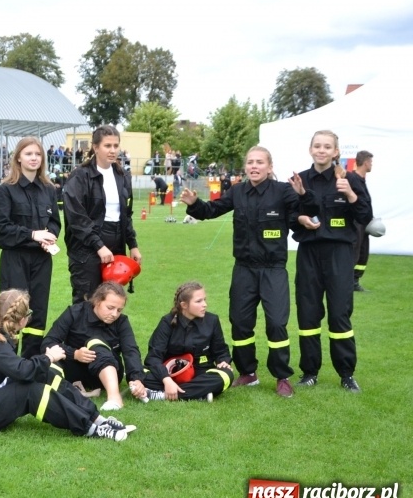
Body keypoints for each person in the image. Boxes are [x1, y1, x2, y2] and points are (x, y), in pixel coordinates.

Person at [180, 146, 299, 397]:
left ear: (270, 166)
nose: (254, 167)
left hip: (273, 269)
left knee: (277, 323)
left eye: (259, 162)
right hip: (244, 269)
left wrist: (303, 197)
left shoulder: (283, 191)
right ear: (245, 167)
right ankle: (248, 372)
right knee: (240, 321)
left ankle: (282, 375)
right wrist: (195, 204)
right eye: (250, 162)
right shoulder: (237, 192)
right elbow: (212, 210)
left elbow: (301, 213)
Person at [0, 289, 131, 442]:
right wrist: (48, 357)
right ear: (23, 319)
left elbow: (21, 370)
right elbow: (22, 371)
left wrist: (45, 363)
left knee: (45, 374)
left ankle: (97, 418)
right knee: (32, 390)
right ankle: (90, 428)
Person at [288, 130, 372, 392]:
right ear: (310, 149)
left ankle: (346, 374)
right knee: (308, 312)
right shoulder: (300, 179)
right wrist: (299, 219)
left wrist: (350, 195)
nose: (321, 150)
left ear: (336, 152)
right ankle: (309, 372)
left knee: (339, 314)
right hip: (310, 254)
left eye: (327, 147)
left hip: (339, 253)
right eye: (317, 146)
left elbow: (365, 215)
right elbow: (290, 215)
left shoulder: (349, 179)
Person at [0, 137, 60, 358]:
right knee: (12, 311)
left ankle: (31, 363)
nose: (34, 158)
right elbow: (2, 228)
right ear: (19, 158)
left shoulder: (49, 190)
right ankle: (8, 364)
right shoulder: (6, 189)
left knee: (37, 312)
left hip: (41, 259)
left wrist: (50, 236)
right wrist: (32, 234)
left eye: (38, 154)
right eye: (29, 154)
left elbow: (55, 222)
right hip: (15, 258)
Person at [63, 125, 141, 304]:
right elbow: (77, 218)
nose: (113, 150)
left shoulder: (123, 177)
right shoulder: (79, 177)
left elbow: (126, 215)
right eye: (107, 146)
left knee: (111, 302)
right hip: (86, 249)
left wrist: (133, 245)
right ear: (96, 147)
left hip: (116, 245)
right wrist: (98, 245)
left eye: (116, 145)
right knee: (87, 303)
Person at [41, 282, 148, 411]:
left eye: (119, 310)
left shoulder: (122, 322)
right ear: (97, 301)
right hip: (74, 370)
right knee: (48, 362)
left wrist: (136, 379)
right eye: (110, 307)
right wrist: (74, 354)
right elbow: (48, 343)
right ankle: (62, 393)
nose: (115, 314)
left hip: (104, 374)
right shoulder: (75, 312)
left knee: (95, 342)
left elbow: (131, 351)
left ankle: (114, 398)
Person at [142, 281, 234, 401]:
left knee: (226, 375)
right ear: (184, 305)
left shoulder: (212, 320)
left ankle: (162, 395)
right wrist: (167, 380)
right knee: (140, 374)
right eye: (199, 301)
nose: (205, 304)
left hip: (200, 373)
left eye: (204, 299)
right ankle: (200, 393)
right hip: (170, 374)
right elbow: (153, 357)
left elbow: (221, 350)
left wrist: (223, 361)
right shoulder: (167, 322)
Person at [349, 150, 374, 292]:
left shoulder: (363, 180)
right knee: (355, 251)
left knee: (363, 253)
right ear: (365, 163)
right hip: (356, 223)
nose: (371, 165)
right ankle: (347, 280)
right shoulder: (353, 179)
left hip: (365, 223)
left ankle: (355, 280)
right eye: (371, 162)